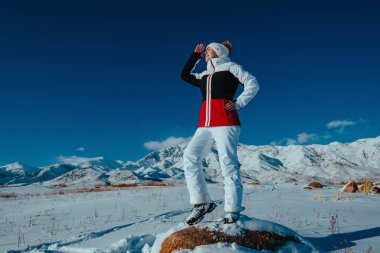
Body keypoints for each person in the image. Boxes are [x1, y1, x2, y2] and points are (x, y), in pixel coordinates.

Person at [181, 41, 260, 225]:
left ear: (218, 51)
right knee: (190, 157)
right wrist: (195, 56)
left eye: (209, 49)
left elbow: (252, 83)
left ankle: (232, 210)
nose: (206, 51)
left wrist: (238, 103)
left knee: (228, 164)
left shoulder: (231, 67)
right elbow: (184, 75)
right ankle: (201, 204)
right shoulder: (204, 75)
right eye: (205, 50)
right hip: (204, 125)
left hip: (225, 122)